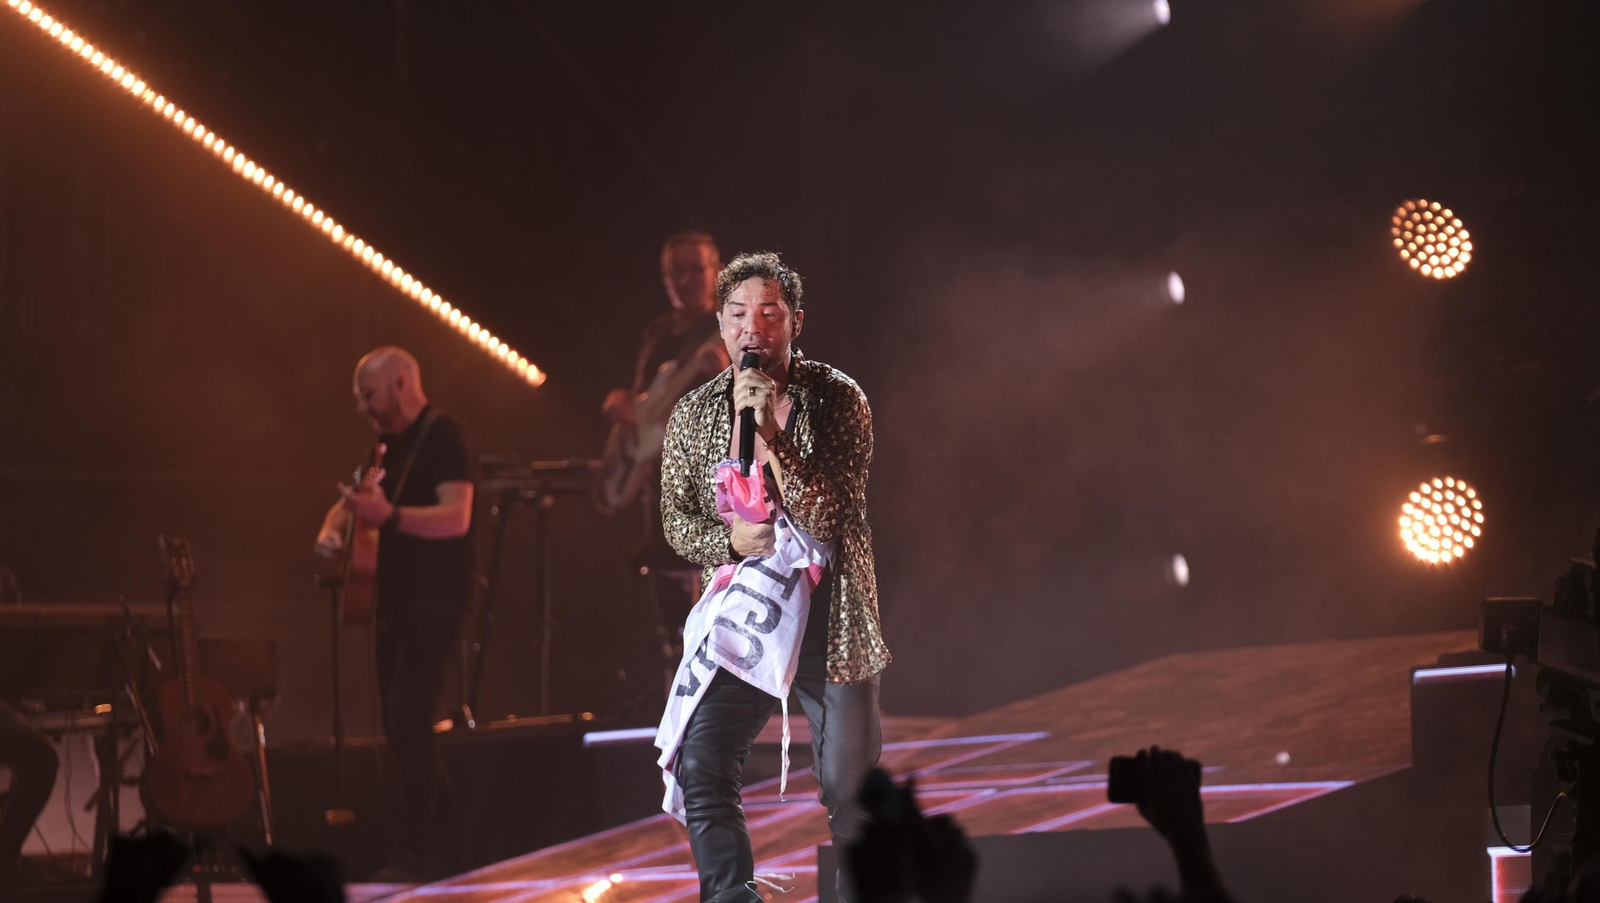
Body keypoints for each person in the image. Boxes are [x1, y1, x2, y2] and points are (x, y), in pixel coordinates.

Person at [660, 251, 890, 903]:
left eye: (769, 313)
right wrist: (725, 539)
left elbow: (832, 508)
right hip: (746, 620)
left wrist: (769, 432)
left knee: (850, 793)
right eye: (737, 315)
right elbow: (677, 520)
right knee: (702, 764)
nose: (752, 327)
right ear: (721, 327)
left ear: (796, 323)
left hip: (829, 620)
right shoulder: (697, 414)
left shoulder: (840, 399)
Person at [313, 346, 475, 881]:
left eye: (368, 393)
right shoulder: (385, 447)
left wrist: (392, 516)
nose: (361, 405)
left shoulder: (443, 435)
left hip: (436, 600)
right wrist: (331, 536)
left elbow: (457, 517)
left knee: (408, 721)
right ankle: (448, 842)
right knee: (400, 727)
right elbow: (348, 503)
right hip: (394, 601)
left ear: (400, 383)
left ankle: (419, 853)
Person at [600, 231, 730, 685]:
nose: (685, 279)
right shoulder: (656, 332)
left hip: (704, 481)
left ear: (716, 271)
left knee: (708, 600)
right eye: (676, 271)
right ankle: (675, 696)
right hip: (656, 482)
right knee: (665, 601)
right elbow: (644, 399)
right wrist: (623, 404)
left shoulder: (729, 323)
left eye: (695, 268)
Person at [0, 567, 60, 885]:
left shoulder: (5, 581)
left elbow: (14, 645)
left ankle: (5, 857)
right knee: (41, 760)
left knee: (40, 760)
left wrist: (16, 698)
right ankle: (5, 860)